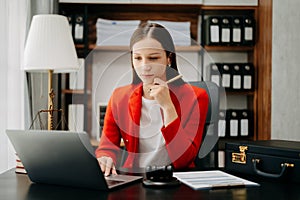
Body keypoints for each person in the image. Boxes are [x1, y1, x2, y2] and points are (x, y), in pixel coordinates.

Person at [95, 22, 209, 176]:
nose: (144, 66)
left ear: (169, 58)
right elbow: (107, 147)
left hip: (177, 181)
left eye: (153, 58)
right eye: (138, 58)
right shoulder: (119, 97)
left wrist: (168, 106)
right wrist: (105, 158)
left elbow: (184, 160)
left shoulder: (196, 97)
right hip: (134, 179)